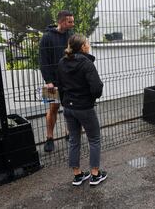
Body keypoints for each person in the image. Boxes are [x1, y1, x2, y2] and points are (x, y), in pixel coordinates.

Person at [57, 34, 107, 186]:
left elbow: (60, 86)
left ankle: (77, 175)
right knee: (94, 139)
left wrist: (65, 102)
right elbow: (97, 88)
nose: (89, 44)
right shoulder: (86, 63)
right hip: (84, 108)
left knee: (73, 140)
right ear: (83, 47)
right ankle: (95, 174)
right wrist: (90, 97)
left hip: (68, 108)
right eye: (87, 42)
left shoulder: (62, 62)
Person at [39, 10, 74, 152]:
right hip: (52, 82)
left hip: (69, 80)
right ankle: (49, 138)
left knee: (70, 107)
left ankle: (69, 133)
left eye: (72, 21)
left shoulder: (71, 37)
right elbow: (43, 61)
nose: (72, 24)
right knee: (53, 108)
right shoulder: (47, 37)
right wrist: (48, 81)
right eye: (69, 21)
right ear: (61, 22)